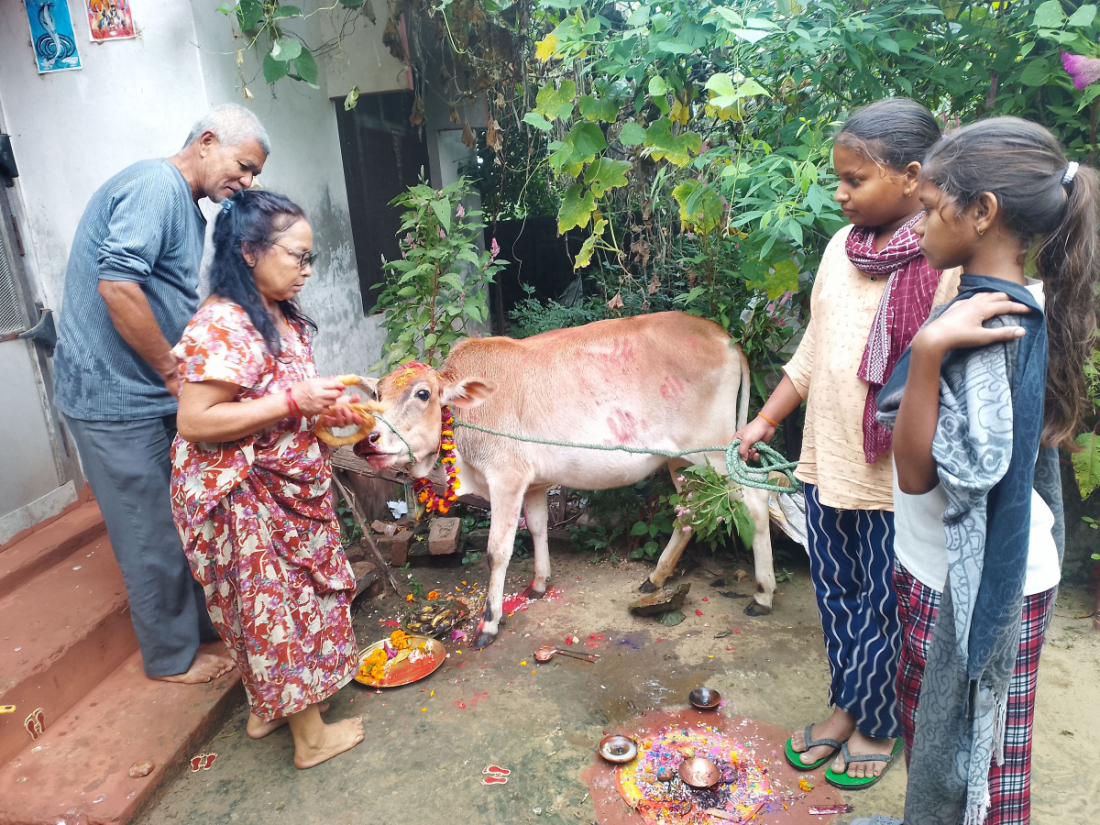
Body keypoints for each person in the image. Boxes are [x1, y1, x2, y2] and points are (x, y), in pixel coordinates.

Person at [869, 118, 1097, 825]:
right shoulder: (1009, 297)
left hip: (971, 589)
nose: (920, 227)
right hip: (948, 568)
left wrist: (930, 350)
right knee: (955, 748)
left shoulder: (987, 327)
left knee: (979, 769)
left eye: (933, 208)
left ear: (983, 212)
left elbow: (922, 472)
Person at [733, 98, 961, 789]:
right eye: (839, 178)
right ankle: (844, 707)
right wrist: (766, 419)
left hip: (896, 477)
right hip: (824, 462)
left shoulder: (943, 260)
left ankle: (877, 724)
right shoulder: (840, 248)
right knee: (835, 597)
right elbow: (813, 350)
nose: (839, 193)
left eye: (854, 180)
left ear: (913, 176)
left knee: (884, 608)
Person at [52, 104, 270, 684]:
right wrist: (176, 377)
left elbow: (167, 295)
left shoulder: (185, 204)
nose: (247, 182)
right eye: (244, 166)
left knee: (182, 518)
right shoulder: (155, 184)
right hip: (112, 397)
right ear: (206, 141)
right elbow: (117, 286)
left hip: (150, 393)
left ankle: (199, 633)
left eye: (253, 175)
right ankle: (170, 660)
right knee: (148, 528)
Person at [170, 190, 366, 769]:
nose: (307, 270)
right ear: (251, 251)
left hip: (286, 481)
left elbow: (279, 399)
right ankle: (310, 739)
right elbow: (196, 420)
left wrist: (321, 411)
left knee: (284, 602)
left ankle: (270, 706)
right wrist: (292, 401)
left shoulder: (277, 310)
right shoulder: (225, 321)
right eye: (297, 257)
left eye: (311, 258)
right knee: (275, 606)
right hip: (243, 493)